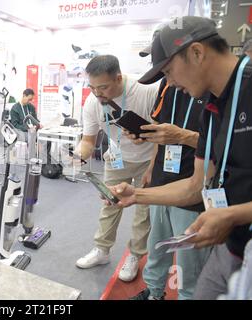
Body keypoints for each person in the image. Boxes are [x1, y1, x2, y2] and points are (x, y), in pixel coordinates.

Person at [110, 16, 252, 299]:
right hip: (231, 245)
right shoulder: (213, 106)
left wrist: (233, 214)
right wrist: (135, 195)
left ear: (197, 52)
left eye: (169, 71)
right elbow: (193, 185)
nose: (170, 82)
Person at [125, 27, 210, 300]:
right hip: (163, 178)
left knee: (188, 260)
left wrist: (183, 136)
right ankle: (154, 291)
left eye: (167, 65)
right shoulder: (166, 84)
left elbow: (219, 144)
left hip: (193, 185)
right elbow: (162, 128)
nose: (165, 73)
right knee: (157, 245)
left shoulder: (214, 89)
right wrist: (151, 162)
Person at [74, 55, 158, 282]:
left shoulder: (146, 90)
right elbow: (88, 141)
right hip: (117, 157)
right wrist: (77, 157)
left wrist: (153, 166)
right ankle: (101, 250)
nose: (97, 93)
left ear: (118, 78)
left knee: (143, 211)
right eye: (92, 87)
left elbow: (164, 134)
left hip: (148, 158)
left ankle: (135, 255)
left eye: (103, 87)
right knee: (109, 202)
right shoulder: (92, 103)